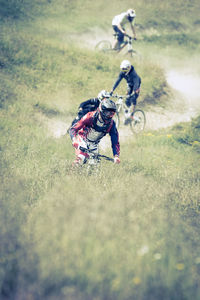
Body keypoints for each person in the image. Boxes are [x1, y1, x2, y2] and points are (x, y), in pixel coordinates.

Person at [69, 98, 120, 166]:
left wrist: (116, 156)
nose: (109, 116)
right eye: (107, 112)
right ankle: (70, 174)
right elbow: (73, 129)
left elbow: (115, 141)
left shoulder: (111, 124)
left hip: (94, 144)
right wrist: (74, 140)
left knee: (94, 166)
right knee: (81, 158)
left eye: (112, 113)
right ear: (101, 110)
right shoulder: (89, 116)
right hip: (82, 139)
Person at [110, 60, 141, 124]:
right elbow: (118, 80)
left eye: (125, 70)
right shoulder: (123, 72)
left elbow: (136, 83)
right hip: (129, 84)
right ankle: (127, 116)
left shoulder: (134, 74)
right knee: (127, 100)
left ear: (129, 68)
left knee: (133, 98)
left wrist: (135, 91)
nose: (124, 72)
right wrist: (112, 89)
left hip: (136, 85)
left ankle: (132, 115)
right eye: (122, 70)